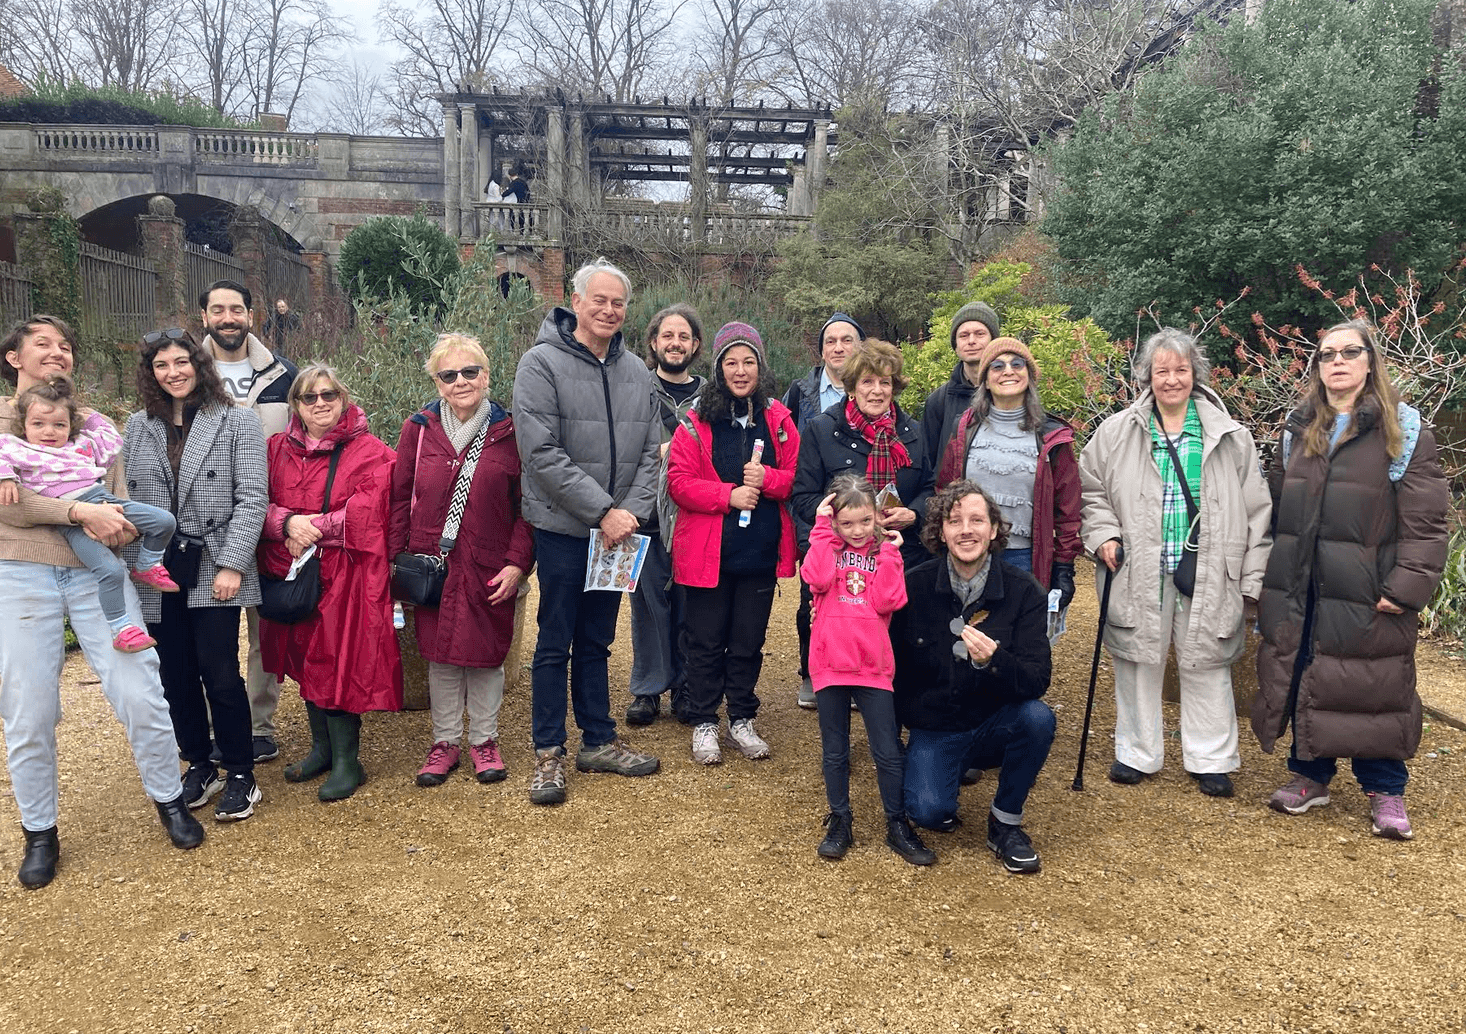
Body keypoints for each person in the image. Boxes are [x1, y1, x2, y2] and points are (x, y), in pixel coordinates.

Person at [0, 316, 203, 890]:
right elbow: (8, 505)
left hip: (96, 574)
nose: (57, 352)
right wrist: (76, 512)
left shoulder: (92, 426)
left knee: (141, 688)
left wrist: (113, 522)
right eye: (42, 344)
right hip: (20, 574)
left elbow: (117, 500)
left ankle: (168, 798)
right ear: (14, 357)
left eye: (66, 344)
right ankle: (40, 830)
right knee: (29, 710)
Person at [1253, 319, 1449, 840]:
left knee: (1374, 683)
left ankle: (1385, 787)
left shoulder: (1402, 430)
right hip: (1303, 583)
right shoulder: (1299, 426)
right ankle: (1311, 774)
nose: (1337, 361)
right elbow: (1276, 506)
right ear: (1317, 366)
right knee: (1305, 670)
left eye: (1349, 352)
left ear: (1369, 361)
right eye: (1327, 354)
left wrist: (1406, 587)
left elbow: (1427, 523)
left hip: (1368, 586)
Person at [1079, 328, 1272, 799]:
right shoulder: (1117, 430)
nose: (1171, 379)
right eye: (1161, 370)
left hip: (1209, 568)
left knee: (1207, 659)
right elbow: (1091, 490)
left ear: (1195, 374)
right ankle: (1136, 752)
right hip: (1137, 566)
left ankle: (1211, 757)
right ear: (1147, 375)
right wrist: (1103, 534)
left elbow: (1257, 510)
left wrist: (1253, 578)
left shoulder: (1230, 436)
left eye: (1180, 370)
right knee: (1137, 659)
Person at [513, 258, 661, 805]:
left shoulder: (636, 372)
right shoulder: (540, 364)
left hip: (617, 533)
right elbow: (541, 453)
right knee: (555, 639)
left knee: (598, 638)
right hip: (563, 529)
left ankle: (597, 739)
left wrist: (630, 512)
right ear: (574, 301)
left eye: (617, 302)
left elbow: (652, 450)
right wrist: (603, 511)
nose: (608, 310)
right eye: (597, 300)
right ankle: (548, 751)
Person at [123, 327, 269, 822]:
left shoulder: (235, 421)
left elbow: (252, 497)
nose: (173, 373)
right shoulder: (137, 426)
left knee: (221, 673)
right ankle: (199, 763)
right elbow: (127, 501)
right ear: (150, 373)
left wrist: (233, 563)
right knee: (174, 675)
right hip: (156, 568)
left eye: (181, 362)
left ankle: (241, 771)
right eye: (161, 366)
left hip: (214, 564)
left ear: (198, 364)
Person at [891, 481, 1054, 874]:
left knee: (1038, 718)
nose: (967, 530)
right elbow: (886, 663)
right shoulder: (913, 585)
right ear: (940, 532)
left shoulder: (1024, 592)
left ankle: (1005, 824)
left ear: (995, 529)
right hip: (937, 727)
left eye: (977, 520)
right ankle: (944, 769)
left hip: (994, 723)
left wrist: (994, 661)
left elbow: (1037, 679)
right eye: (955, 521)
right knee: (929, 813)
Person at [391, 335, 533, 787]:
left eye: (470, 372)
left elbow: (529, 507)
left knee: (488, 654)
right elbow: (398, 496)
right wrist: (397, 559)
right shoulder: (419, 429)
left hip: (489, 561)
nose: (460, 382)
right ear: (436, 381)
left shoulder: (511, 431)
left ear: (486, 375)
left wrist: (517, 563)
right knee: (440, 654)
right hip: (433, 563)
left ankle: (484, 742)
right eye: (448, 375)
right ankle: (445, 742)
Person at [258, 365, 401, 801]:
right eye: (309, 397)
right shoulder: (275, 449)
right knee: (303, 657)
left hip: (347, 575)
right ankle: (321, 748)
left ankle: (347, 760)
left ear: (342, 398)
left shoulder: (371, 451)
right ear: (295, 405)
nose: (319, 404)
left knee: (338, 660)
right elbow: (252, 500)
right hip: (289, 569)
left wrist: (309, 526)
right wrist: (285, 523)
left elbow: (370, 512)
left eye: (328, 395)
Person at [667, 322, 798, 765]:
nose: (740, 371)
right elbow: (679, 483)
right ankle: (704, 720)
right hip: (708, 554)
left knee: (747, 641)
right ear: (718, 368)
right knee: (704, 640)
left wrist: (769, 480)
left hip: (758, 554)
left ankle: (741, 716)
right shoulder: (695, 422)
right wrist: (728, 495)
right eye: (730, 362)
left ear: (760, 367)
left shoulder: (778, 419)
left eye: (748, 362)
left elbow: (799, 477)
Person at [802, 475, 933, 866]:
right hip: (829, 663)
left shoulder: (883, 554)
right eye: (847, 523)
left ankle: (897, 822)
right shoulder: (825, 545)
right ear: (834, 520)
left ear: (877, 517)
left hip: (872, 664)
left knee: (887, 751)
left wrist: (892, 555)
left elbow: (888, 601)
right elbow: (818, 578)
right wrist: (822, 529)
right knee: (835, 750)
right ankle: (840, 819)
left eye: (864, 521)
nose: (857, 531)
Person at [0, 374, 180, 652]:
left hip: (104, 500)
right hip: (70, 520)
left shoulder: (80, 445)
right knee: (109, 570)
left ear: (70, 426)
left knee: (164, 521)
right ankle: (122, 629)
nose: (49, 432)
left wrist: (90, 413)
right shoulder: (20, 447)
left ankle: (147, 564)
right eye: (38, 424)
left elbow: (111, 440)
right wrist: (6, 478)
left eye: (59, 425)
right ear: (23, 426)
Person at [199, 279, 298, 764]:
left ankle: (259, 725)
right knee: (211, 631)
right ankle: (220, 724)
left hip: (269, 517)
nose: (228, 318)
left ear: (251, 316)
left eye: (236, 309)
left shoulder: (283, 375)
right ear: (205, 318)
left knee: (266, 631)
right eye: (218, 310)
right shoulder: (185, 373)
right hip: (208, 522)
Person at [936, 336, 1081, 600]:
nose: (1008, 371)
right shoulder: (965, 429)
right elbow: (944, 493)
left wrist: (1063, 567)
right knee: (965, 635)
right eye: (997, 366)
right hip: (968, 553)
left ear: (1029, 376)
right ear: (986, 380)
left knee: (1017, 639)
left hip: (1024, 558)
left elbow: (1068, 513)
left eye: (1017, 364)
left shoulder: (1051, 437)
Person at [792, 339, 934, 575]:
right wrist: (849, 519)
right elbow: (803, 497)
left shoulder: (914, 433)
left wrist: (913, 513)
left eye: (884, 382)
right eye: (867, 381)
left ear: (893, 388)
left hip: (903, 559)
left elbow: (930, 487)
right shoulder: (822, 431)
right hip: (840, 560)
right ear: (851, 388)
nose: (877, 391)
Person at [626, 303, 705, 726]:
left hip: (696, 519)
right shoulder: (636, 388)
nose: (675, 343)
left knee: (693, 606)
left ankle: (687, 687)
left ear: (695, 345)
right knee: (648, 604)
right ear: (654, 343)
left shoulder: (711, 395)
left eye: (684, 337)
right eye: (667, 336)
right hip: (646, 515)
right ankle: (648, 688)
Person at [784, 312, 863, 710]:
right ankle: (812, 672)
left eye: (846, 340)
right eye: (830, 341)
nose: (838, 348)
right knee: (813, 594)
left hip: (861, 518)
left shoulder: (870, 389)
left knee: (857, 595)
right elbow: (783, 439)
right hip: (812, 507)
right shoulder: (802, 391)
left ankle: (854, 671)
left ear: (859, 346)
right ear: (821, 349)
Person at [921, 301, 1000, 465]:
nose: (971, 341)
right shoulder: (938, 401)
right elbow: (928, 463)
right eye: (963, 335)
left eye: (980, 334)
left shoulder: (1010, 395)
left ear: (994, 341)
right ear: (955, 346)